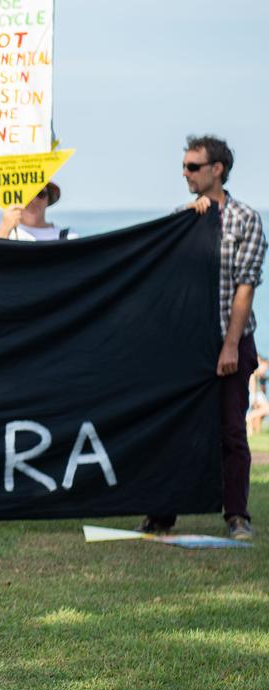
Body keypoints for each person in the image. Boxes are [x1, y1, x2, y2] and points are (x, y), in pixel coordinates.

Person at [138, 135, 264, 541]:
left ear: (217, 170)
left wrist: (229, 345)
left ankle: (236, 515)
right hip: (187, 343)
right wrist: (190, 226)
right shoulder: (183, 216)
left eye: (193, 166)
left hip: (232, 338)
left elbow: (246, 287)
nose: (185, 173)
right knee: (177, 425)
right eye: (184, 166)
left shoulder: (246, 219)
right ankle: (162, 513)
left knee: (230, 429)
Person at [0, 182, 78, 241]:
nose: (34, 200)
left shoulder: (69, 236)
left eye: (40, 194)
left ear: (48, 199)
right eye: (27, 194)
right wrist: (4, 230)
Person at [246, 356, 268, 435]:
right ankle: (250, 417)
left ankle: (252, 427)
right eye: (265, 367)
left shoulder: (260, 376)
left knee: (263, 411)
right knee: (267, 409)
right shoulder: (254, 373)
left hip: (255, 394)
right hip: (255, 394)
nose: (265, 369)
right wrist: (254, 398)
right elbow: (253, 385)